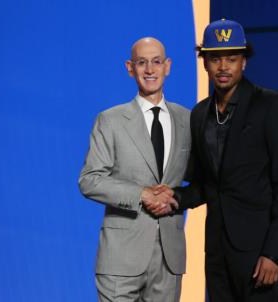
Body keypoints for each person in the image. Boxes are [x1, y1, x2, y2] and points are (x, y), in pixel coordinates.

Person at [156, 19, 278, 301]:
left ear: (243, 62)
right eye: (215, 59)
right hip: (216, 250)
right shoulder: (199, 114)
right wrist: (174, 197)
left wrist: (275, 252)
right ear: (205, 63)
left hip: (259, 252)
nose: (223, 67)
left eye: (231, 59)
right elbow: (205, 185)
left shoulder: (271, 105)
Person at [78, 37, 190, 302]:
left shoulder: (187, 119)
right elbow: (90, 180)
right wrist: (142, 194)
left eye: (156, 62)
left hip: (168, 258)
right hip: (120, 258)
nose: (149, 70)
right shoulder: (110, 120)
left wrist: (177, 198)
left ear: (168, 66)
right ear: (130, 68)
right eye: (142, 63)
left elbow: (203, 180)